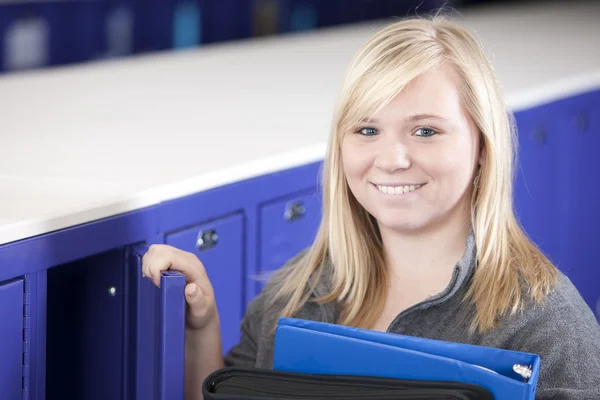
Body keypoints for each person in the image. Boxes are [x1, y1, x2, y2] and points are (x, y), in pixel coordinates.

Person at [142, 14, 600, 400]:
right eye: (366, 130)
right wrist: (200, 326)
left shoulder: (548, 327)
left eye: (425, 131)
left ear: (483, 145)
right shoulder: (296, 295)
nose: (392, 160)